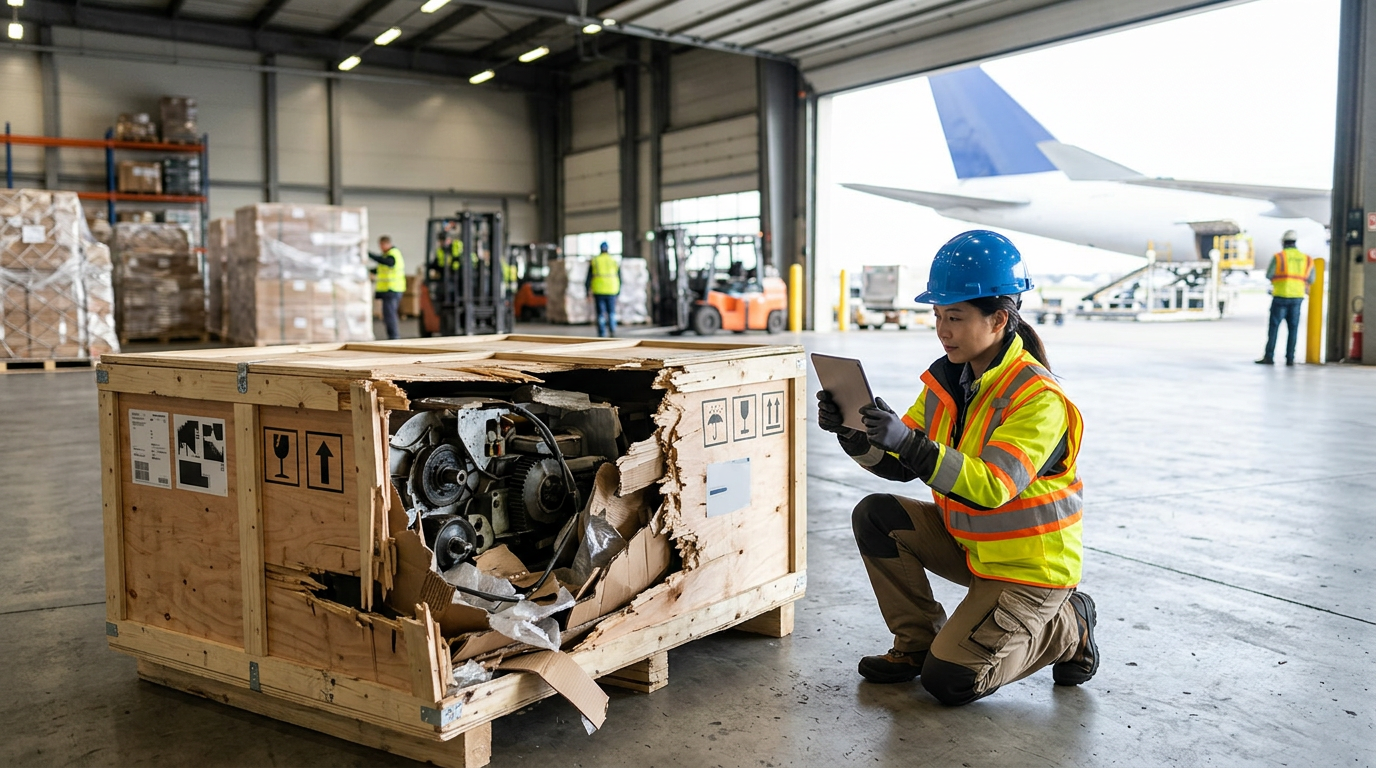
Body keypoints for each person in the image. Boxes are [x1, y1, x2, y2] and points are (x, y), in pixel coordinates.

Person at [816, 230, 1098, 707]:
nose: (942, 330)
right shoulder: (950, 381)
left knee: (950, 681)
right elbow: (901, 466)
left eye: (955, 317)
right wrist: (855, 435)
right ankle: (916, 643)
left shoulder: (1038, 398)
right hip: (974, 549)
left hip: (1029, 571)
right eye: (938, 316)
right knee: (877, 515)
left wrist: (910, 443)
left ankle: (1068, 626)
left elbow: (992, 487)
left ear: (999, 320)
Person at [1256, 230, 1315, 366]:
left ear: (1283, 242)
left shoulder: (1279, 257)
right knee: (1293, 329)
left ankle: (1269, 357)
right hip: (1297, 298)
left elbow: (1269, 274)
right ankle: (1290, 358)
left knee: (1274, 328)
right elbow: (1311, 279)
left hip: (1280, 296)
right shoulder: (1306, 259)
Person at [368, 235, 406, 340]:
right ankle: (392, 336)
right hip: (389, 290)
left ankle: (394, 337)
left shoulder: (393, 254)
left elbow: (387, 262)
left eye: (381, 245)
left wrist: (369, 254)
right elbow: (381, 269)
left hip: (392, 289)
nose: (380, 247)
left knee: (390, 316)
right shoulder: (387, 255)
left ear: (386, 244)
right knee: (388, 315)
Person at [585, 242, 621, 337]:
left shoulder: (595, 260)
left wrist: (587, 292)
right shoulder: (613, 260)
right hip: (612, 289)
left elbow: (588, 278)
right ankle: (612, 330)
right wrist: (618, 291)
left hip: (599, 290)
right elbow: (620, 277)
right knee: (612, 312)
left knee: (601, 313)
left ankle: (601, 332)